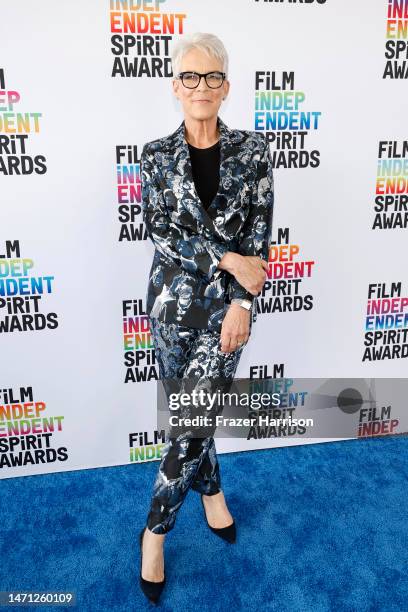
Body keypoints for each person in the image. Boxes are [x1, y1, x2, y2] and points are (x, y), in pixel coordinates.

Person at [139, 32, 274, 604]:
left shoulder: (254, 152)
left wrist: (243, 302)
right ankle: (212, 495)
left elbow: (259, 239)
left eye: (212, 77)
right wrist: (225, 258)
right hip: (169, 306)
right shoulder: (153, 156)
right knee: (192, 415)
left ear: (226, 86)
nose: (201, 87)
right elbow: (164, 234)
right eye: (190, 77)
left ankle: (153, 533)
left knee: (193, 415)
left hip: (226, 310)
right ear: (176, 87)